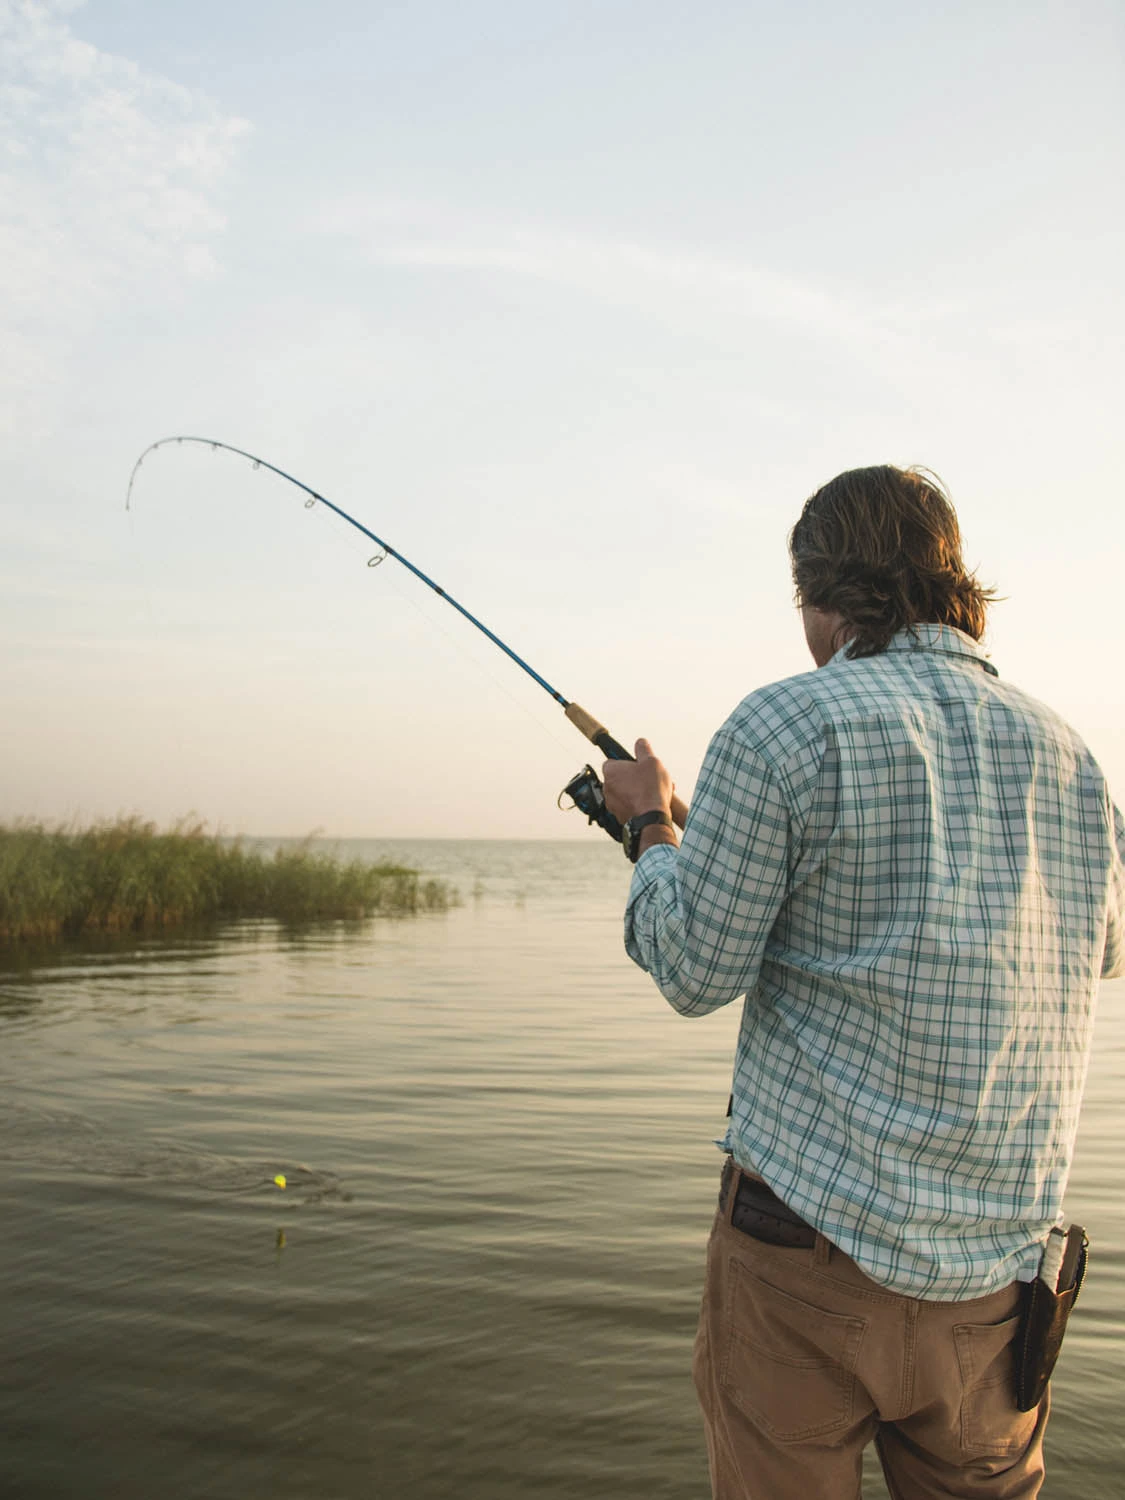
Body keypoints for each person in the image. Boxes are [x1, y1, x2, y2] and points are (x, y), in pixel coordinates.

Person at [602, 465, 1124, 1500]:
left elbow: (694, 970)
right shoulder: (1075, 759)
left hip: (801, 1270)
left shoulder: (782, 726)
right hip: (994, 1294)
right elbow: (1102, 950)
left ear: (820, 595)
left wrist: (651, 826)